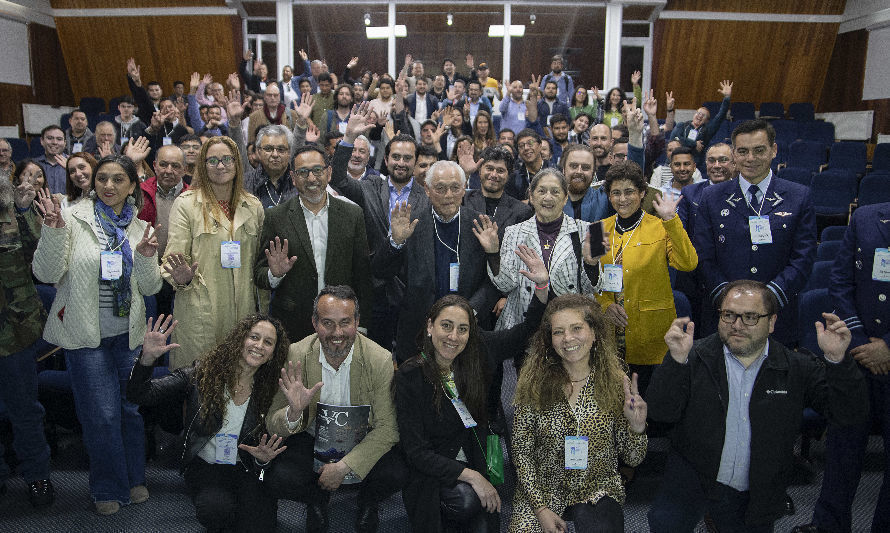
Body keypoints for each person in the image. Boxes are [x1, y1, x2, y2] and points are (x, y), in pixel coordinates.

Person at [647, 280, 868, 532]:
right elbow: (660, 413)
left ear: (772, 323)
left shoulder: (795, 367)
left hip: (757, 489)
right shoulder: (693, 356)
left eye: (750, 317)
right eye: (729, 315)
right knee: (665, 523)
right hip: (694, 478)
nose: (737, 325)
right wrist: (675, 363)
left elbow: (849, 414)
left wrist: (838, 362)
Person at [33, 154, 163, 515]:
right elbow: (46, 273)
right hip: (86, 338)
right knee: (102, 415)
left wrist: (148, 257)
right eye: (102, 178)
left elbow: (150, 287)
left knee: (130, 412)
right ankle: (107, 486)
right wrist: (53, 230)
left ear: (132, 186)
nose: (108, 186)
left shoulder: (139, 227)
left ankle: (133, 479)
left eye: (118, 179)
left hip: (128, 336)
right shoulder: (72, 217)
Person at [394, 245, 552, 532]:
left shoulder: (479, 351)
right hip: (434, 467)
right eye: (446, 326)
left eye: (463, 329)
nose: (454, 337)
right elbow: (416, 452)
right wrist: (471, 476)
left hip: (477, 451)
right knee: (467, 502)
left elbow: (526, 330)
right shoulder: (410, 375)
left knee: (485, 522)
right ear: (430, 327)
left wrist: (541, 285)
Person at [127, 314, 288, 532]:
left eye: (268, 342)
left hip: (248, 467)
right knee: (216, 511)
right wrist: (146, 360)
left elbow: (276, 438)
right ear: (240, 339)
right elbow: (141, 395)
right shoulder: (201, 373)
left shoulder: (271, 389)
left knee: (259, 525)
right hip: (207, 467)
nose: (259, 345)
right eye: (254, 337)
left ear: (271, 355)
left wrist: (263, 461)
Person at [263, 286, 404, 533]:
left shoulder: (379, 359)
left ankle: (368, 500)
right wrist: (293, 413)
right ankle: (316, 498)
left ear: (357, 322)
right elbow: (271, 422)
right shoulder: (295, 354)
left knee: (398, 471)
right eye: (327, 323)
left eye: (345, 323)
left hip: (363, 439)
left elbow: (388, 428)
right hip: (312, 438)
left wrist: (343, 466)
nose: (337, 333)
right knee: (279, 476)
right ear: (314, 323)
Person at [510, 294, 648, 532]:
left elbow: (633, 458)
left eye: (576, 328)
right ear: (549, 339)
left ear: (594, 334)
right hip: (543, 486)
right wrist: (540, 508)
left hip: (596, 486)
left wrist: (636, 427)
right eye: (558, 332)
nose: (568, 339)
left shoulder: (616, 381)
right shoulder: (533, 380)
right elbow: (521, 451)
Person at [795, 202, 890, 533]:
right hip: (857, 357)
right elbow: (840, 280)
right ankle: (829, 524)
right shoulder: (866, 217)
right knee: (842, 449)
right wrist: (861, 342)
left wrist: (888, 347)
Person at [694, 119, 816, 346]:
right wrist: (728, 300)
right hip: (723, 315)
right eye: (743, 151)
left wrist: (769, 298)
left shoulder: (798, 197)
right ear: (734, 154)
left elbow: (803, 258)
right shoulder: (712, 197)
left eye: (759, 150)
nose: (750, 158)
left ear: (774, 150)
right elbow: (703, 257)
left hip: (776, 316)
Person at [374, 160, 500, 363]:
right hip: (418, 329)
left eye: (454, 188)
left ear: (464, 189)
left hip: (467, 329)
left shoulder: (480, 225)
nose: (448, 195)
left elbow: (494, 281)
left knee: (468, 391)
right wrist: (396, 242)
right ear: (427, 189)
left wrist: (471, 311)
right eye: (440, 188)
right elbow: (381, 272)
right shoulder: (410, 224)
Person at [162, 136, 265, 369]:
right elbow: (172, 259)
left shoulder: (254, 206)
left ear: (238, 164)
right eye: (213, 161)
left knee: (239, 384)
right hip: (201, 311)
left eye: (227, 159)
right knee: (199, 386)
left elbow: (259, 263)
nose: (221, 166)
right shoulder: (186, 204)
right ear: (202, 166)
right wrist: (181, 278)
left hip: (243, 311)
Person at [253, 145, 373, 345]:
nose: (311, 179)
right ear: (293, 177)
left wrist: (361, 325)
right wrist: (275, 274)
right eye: (303, 172)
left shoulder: (352, 215)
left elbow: (363, 276)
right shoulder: (276, 217)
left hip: (341, 323)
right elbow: (259, 274)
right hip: (293, 323)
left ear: (329, 172)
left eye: (317, 170)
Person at [596, 160, 697, 396]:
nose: (622, 199)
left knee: (651, 403)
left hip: (650, 332)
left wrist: (671, 220)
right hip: (611, 330)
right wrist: (604, 304)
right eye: (616, 193)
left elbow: (688, 263)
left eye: (629, 192)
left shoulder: (661, 226)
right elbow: (589, 279)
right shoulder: (596, 229)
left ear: (642, 193)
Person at [491, 168, 603, 331]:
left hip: (570, 326)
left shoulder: (592, 230)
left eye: (555, 192)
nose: (548, 197)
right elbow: (505, 285)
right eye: (541, 191)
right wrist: (492, 252)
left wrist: (591, 265)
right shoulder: (512, 231)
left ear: (565, 198)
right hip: (523, 325)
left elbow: (595, 289)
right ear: (531, 196)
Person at [0, 170, 54, 507]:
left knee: (25, 409)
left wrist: (23, 211)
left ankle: (37, 475)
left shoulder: (14, 209)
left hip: (15, 329)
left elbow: (42, 256)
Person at [668, 81, 733, 166]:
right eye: (698, 113)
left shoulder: (707, 130)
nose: (700, 116)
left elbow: (720, 116)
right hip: (675, 161)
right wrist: (694, 144)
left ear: (707, 121)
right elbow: (675, 140)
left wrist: (727, 97)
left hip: (694, 165)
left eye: (703, 115)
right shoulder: (681, 125)